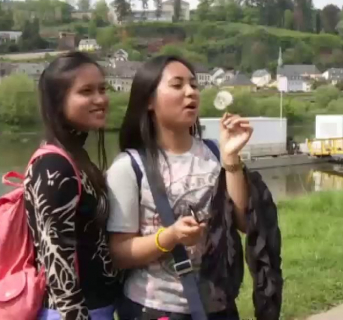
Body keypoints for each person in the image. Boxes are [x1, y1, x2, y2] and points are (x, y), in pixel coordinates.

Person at [105, 55, 258, 320]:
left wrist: (231, 157)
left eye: (194, 85)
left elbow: (244, 223)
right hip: (155, 308)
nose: (190, 92)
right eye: (177, 85)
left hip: (217, 304)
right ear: (149, 101)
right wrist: (170, 236)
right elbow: (118, 254)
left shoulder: (214, 153)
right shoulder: (128, 166)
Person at [24, 52, 121, 320]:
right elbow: (58, 266)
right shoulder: (55, 166)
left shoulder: (76, 156)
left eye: (103, 89)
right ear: (58, 103)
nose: (100, 99)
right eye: (86, 91)